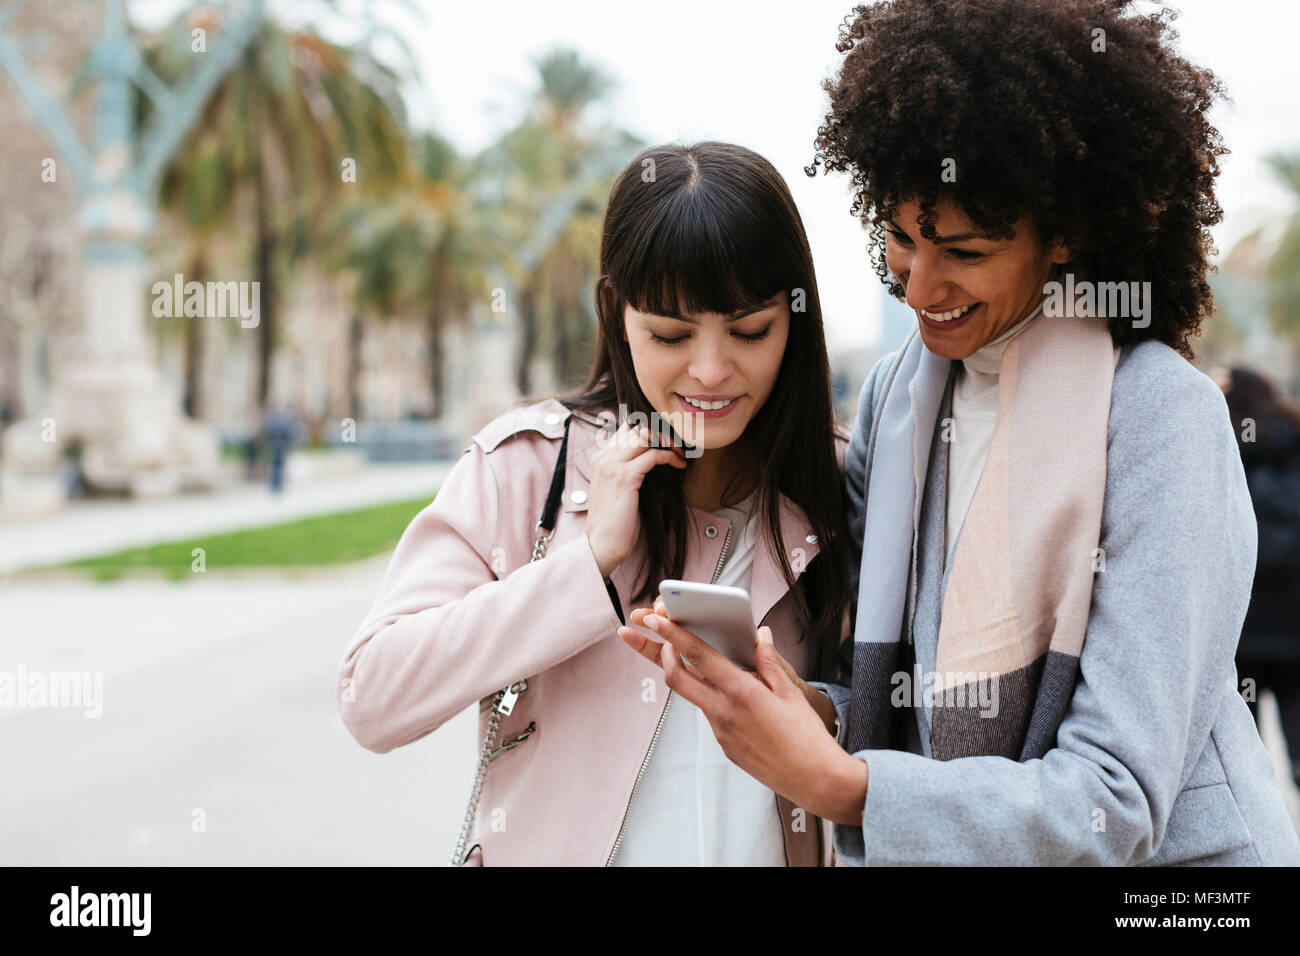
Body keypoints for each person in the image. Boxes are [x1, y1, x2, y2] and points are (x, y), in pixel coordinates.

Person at [621, 0, 1300, 864]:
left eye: (966, 252)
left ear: (1067, 236)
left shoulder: (1161, 418)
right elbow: (906, 703)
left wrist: (840, 786)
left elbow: (1113, 799)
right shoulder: (898, 395)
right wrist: (804, 708)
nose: (919, 287)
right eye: (903, 241)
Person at [337, 141, 852, 866]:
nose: (711, 370)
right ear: (617, 311)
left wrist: (815, 710)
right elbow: (374, 697)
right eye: (670, 335)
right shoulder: (523, 467)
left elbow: (896, 718)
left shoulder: (838, 484)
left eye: (749, 330)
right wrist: (589, 566)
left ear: (795, 317)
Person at [1218, 366, 1300, 788]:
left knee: (1244, 758)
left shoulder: (1223, 446)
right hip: (1294, 628)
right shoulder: (1295, 439)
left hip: (1243, 633)